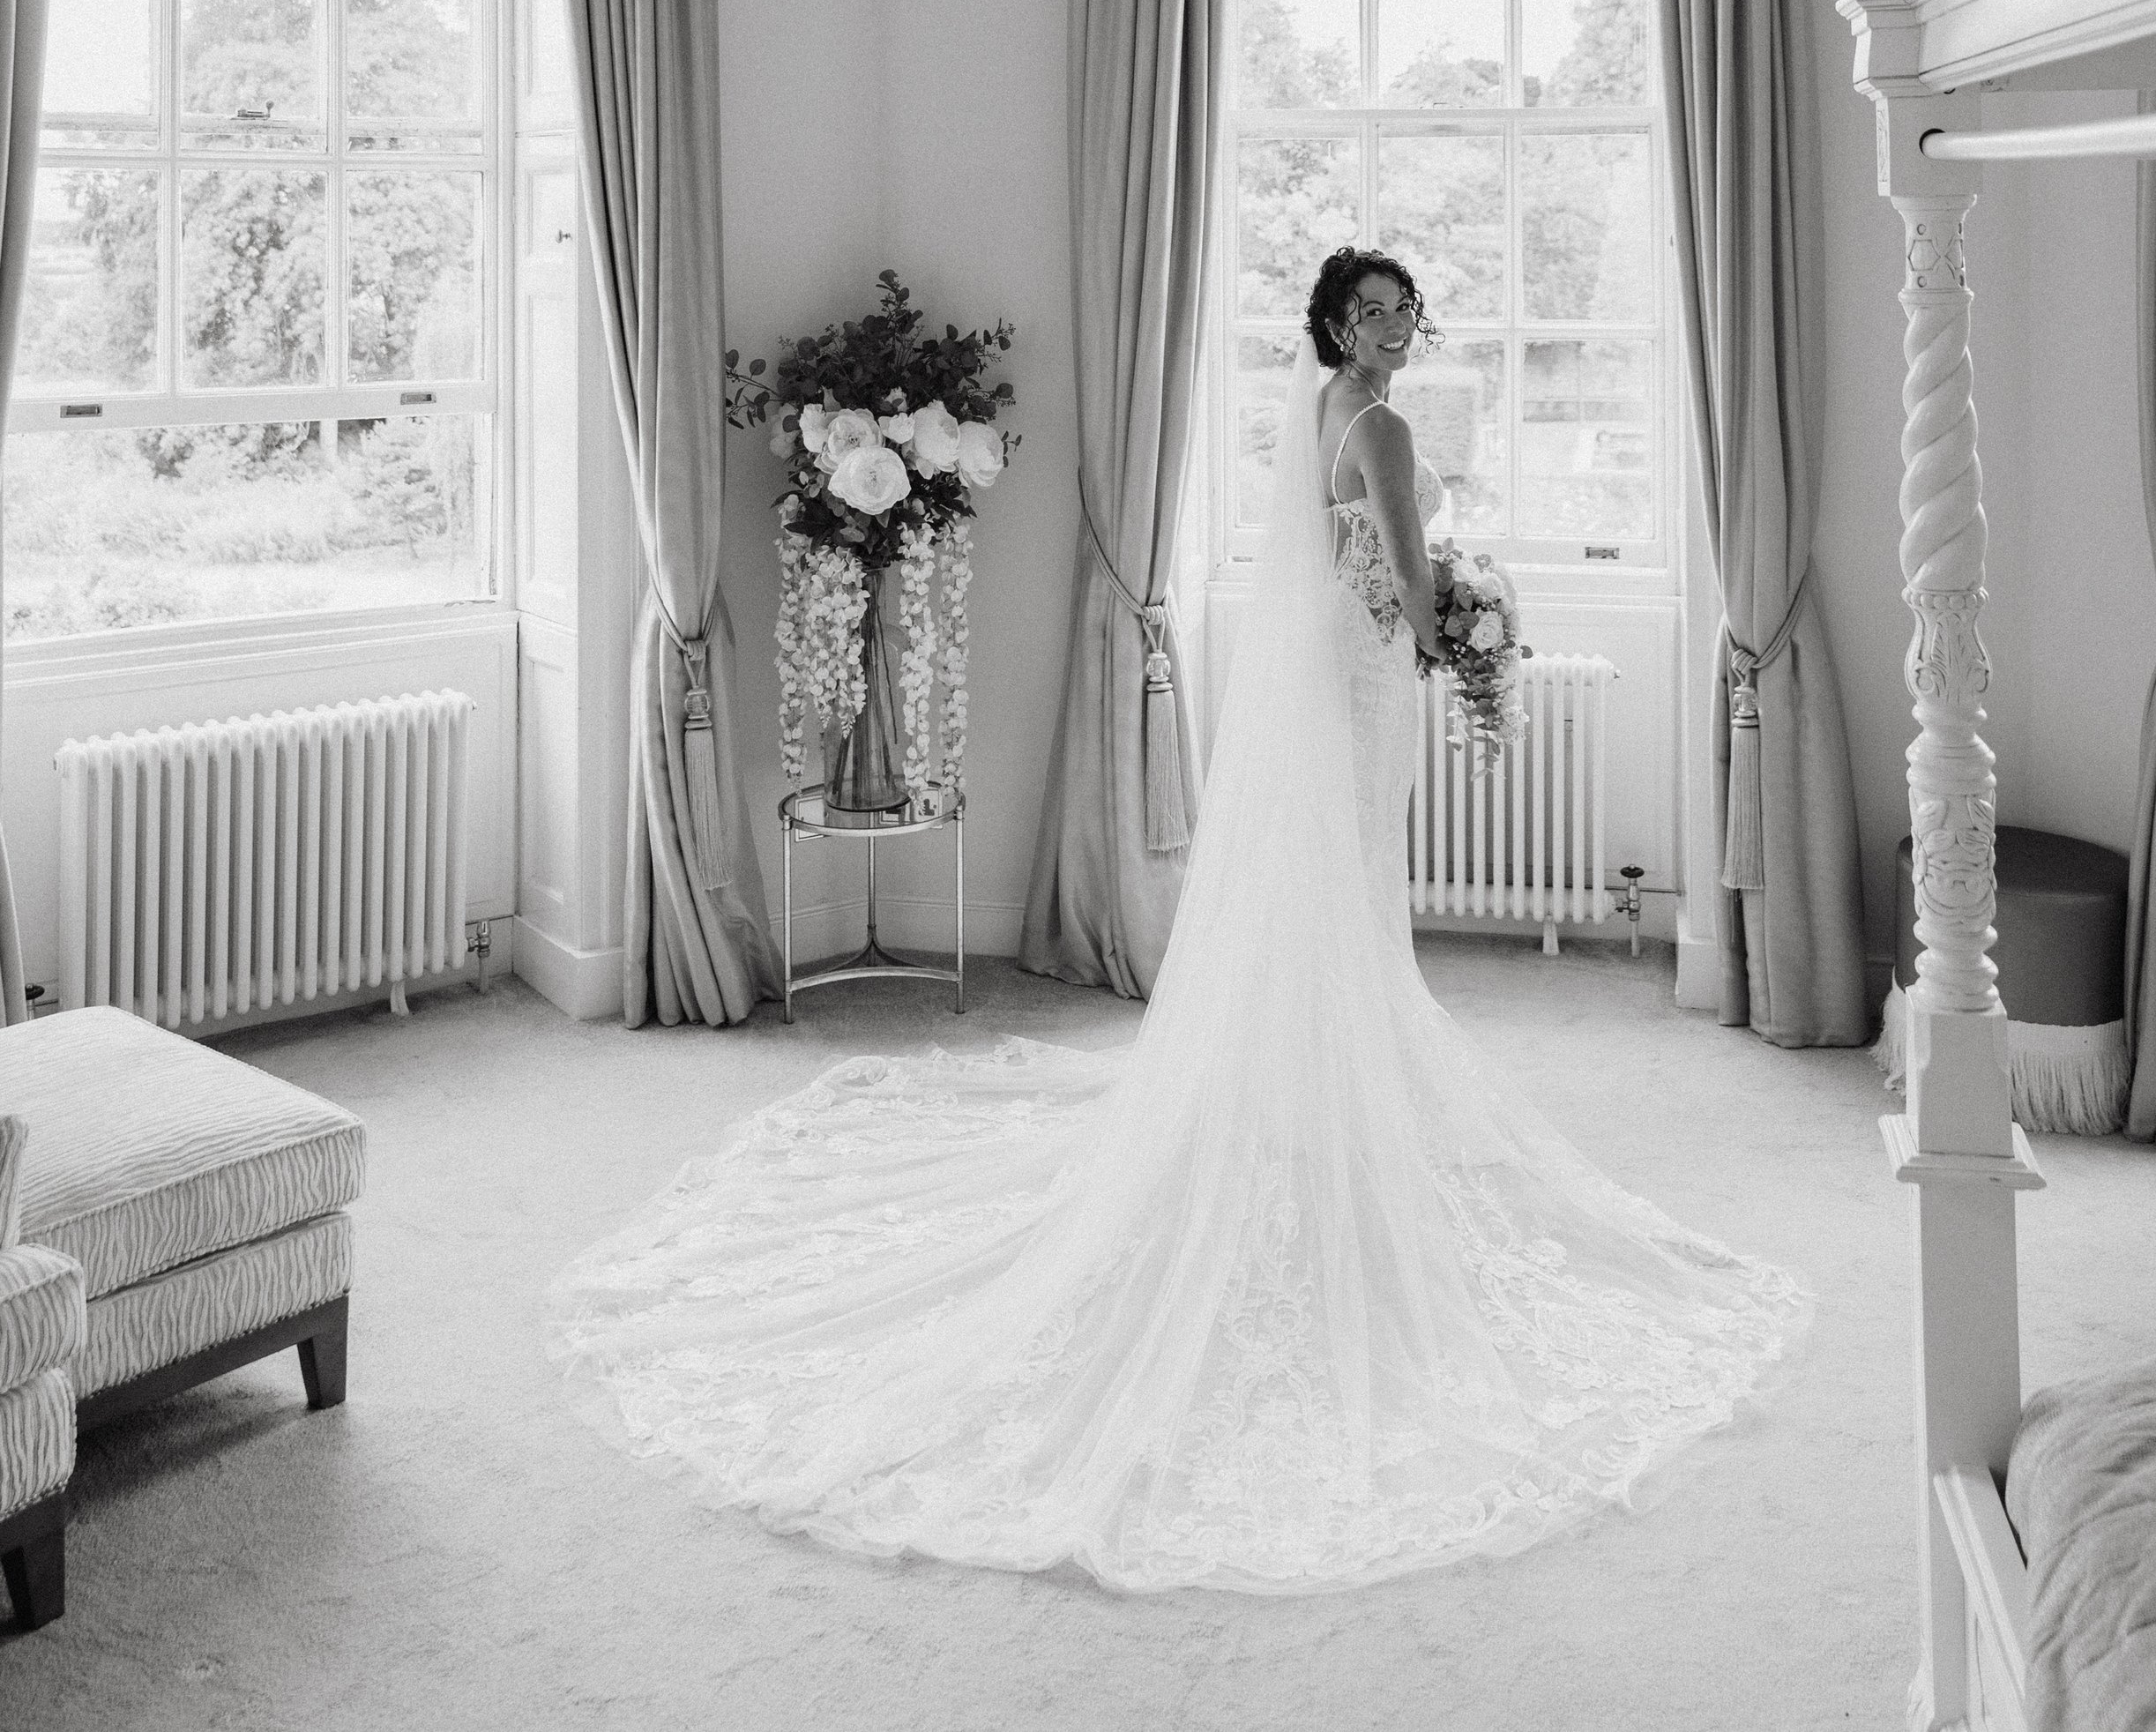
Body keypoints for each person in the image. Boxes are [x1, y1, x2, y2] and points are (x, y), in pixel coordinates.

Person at [548, 245, 1804, 1594]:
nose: (1392, 326)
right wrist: (1468, 631)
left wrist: (1438, 609)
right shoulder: (1380, 426)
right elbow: (1404, 570)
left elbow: (1350, 558)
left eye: (1402, 309)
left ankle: (1312, 1077)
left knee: (1334, 880)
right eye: (1370, 311)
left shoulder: (1323, 408)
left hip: (1336, 666)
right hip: (1369, 674)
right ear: (1337, 324)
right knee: (1354, 874)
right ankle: (1336, 1087)